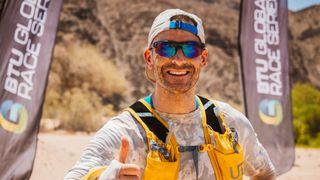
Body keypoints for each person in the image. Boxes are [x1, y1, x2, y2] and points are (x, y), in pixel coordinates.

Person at [65, 9, 276, 180]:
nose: (178, 59)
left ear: (202, 59)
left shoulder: (228, 122)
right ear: (149, 58)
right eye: (166, 48)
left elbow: (265, 174)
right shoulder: (127, 132)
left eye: (190, 49)